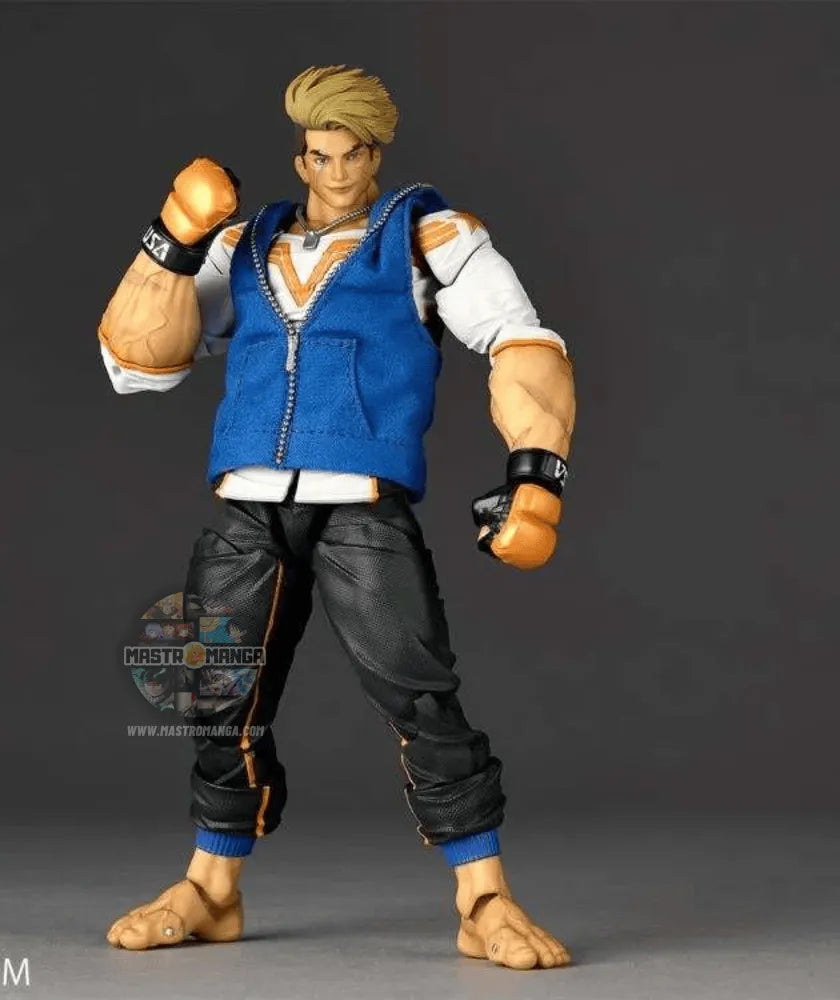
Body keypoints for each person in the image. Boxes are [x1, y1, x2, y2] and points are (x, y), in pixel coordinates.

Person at [100, 65, 575, 970]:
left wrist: (536, 476)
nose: (336, 171)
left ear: (375, 154)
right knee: (213, 694)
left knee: (418, 693)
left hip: (358, 504)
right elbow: (138, 362)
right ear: (300, 158)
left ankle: (484, 897)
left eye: (351, 154)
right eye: (320, 156)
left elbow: (521, 342)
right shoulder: (244, 245)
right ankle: (210, 887)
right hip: (247, 504)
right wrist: (171, 238)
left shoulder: (425, 238)